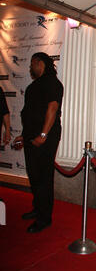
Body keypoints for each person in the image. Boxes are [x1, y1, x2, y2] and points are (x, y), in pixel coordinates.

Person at [13, 53, 64, 233]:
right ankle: (37, 209)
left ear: (40, 63)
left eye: (32, 64)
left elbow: (52, 108)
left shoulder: (53, 83)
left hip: (46, 137)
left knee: (43, 177)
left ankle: (44, 219)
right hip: (32, 136)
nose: (30, 68)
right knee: (34, 175)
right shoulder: (34, 86)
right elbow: (31, 114)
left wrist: (43, 134)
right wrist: (24, 135)